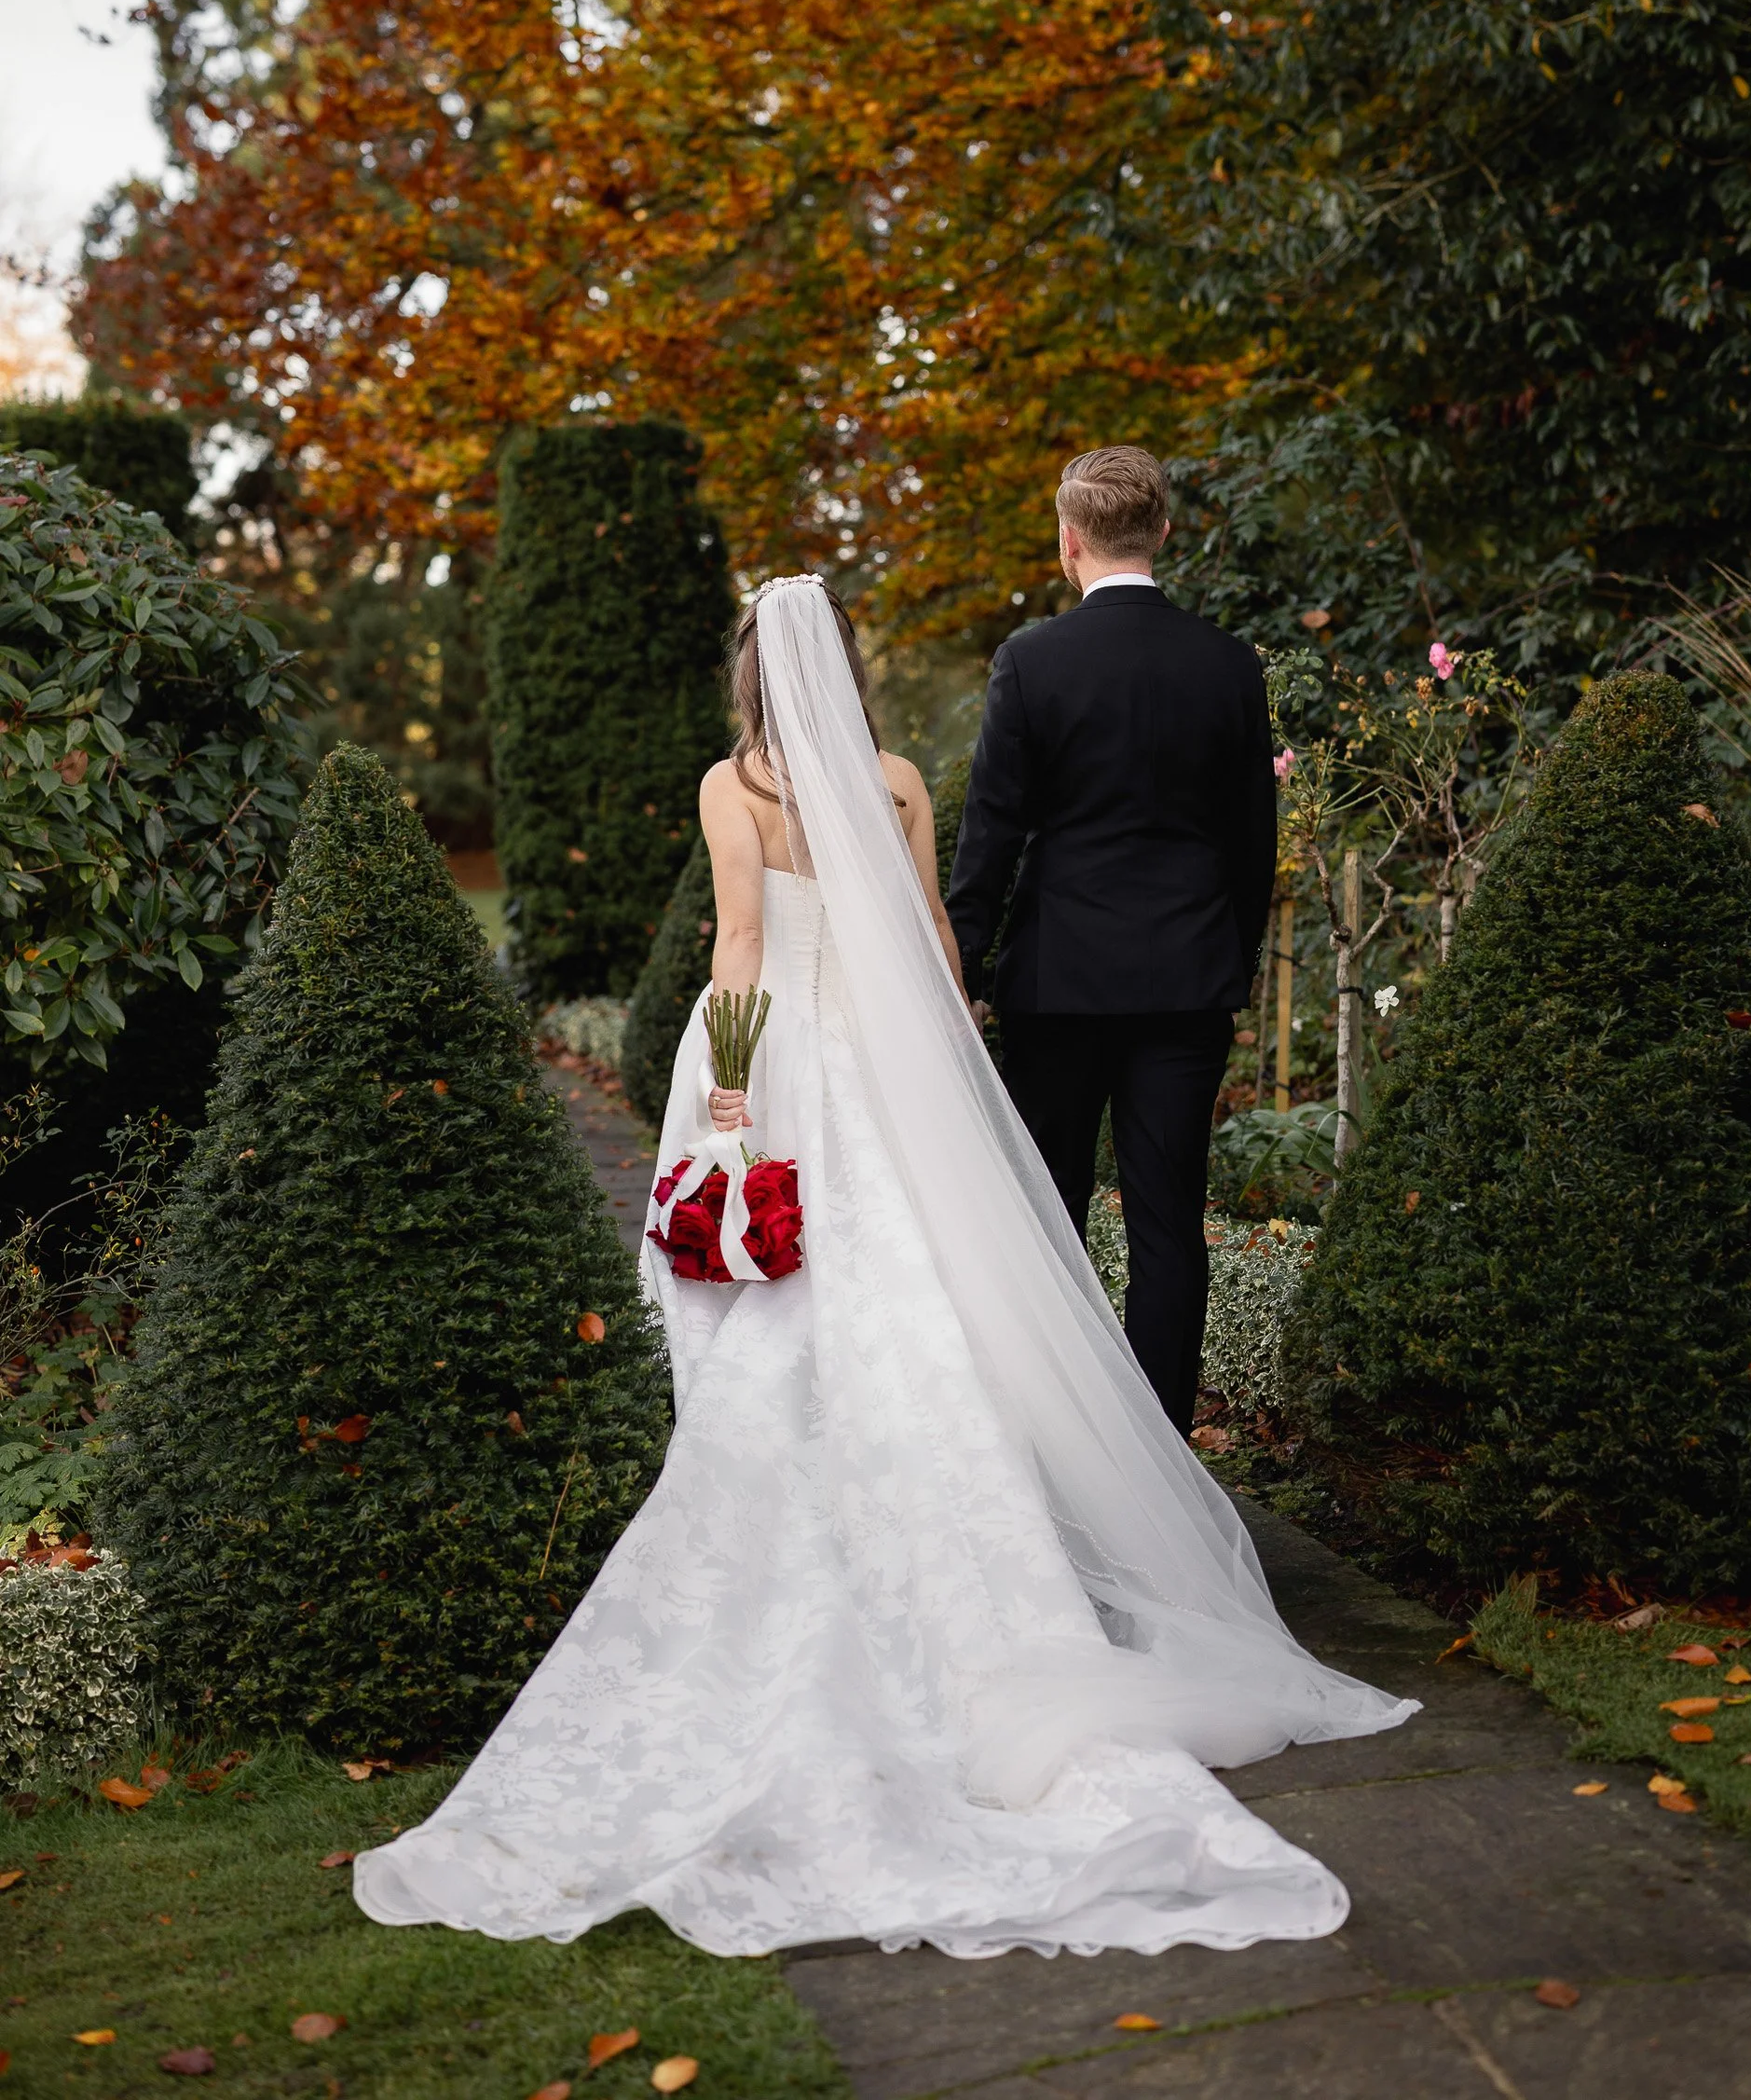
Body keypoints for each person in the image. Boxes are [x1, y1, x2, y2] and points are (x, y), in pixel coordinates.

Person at [354, 577, 1413, 1959]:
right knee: (924, 1287)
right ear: (844, 663)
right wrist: (947, 1056)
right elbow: (930, 935)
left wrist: (730, 1096)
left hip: (778, 1051)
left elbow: (738, 945)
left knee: (775, 1298)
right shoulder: (899, 775)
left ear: (748, 671)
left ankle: (810, 1486)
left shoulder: (730, 785)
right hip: (879, 1061)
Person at [948, 446, 1275, 1434]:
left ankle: (1058, 1438)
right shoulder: (1227, 662)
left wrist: (959, 964)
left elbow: (990, 833)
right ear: (1164, 533)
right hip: (1185, 985)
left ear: (1068, 539)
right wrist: (1233, 962)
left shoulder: (1033, 659)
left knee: (1051, 1216)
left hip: (1058, 984)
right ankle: (1162, 1454)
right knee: (1169, 1221)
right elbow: (1251, 841)